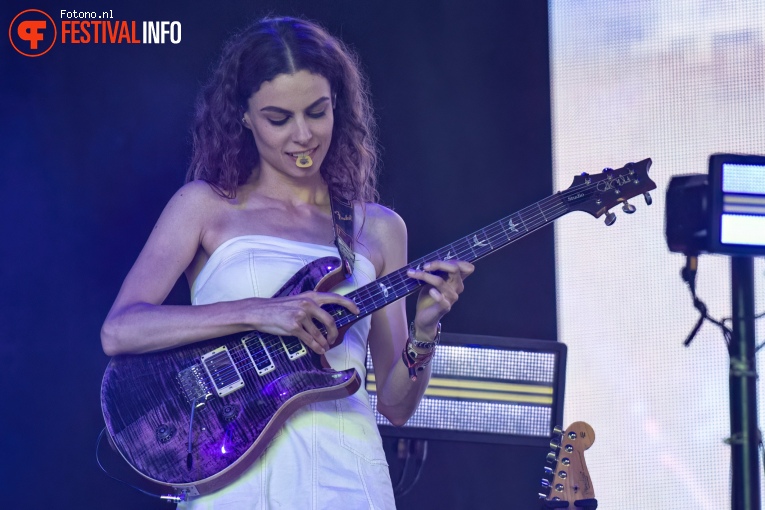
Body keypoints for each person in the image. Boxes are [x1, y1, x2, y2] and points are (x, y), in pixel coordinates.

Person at [101, 16, 473, 509]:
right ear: (243, 116)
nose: (303, 136)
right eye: (279, 119)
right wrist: (261, 311)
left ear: (337, 104)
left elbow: (397, 406)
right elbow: (121, 331)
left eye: (317, 112)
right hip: (235, 485)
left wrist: (426, 329)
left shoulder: (380, 229)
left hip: (348, 480)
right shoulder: (204, 206)